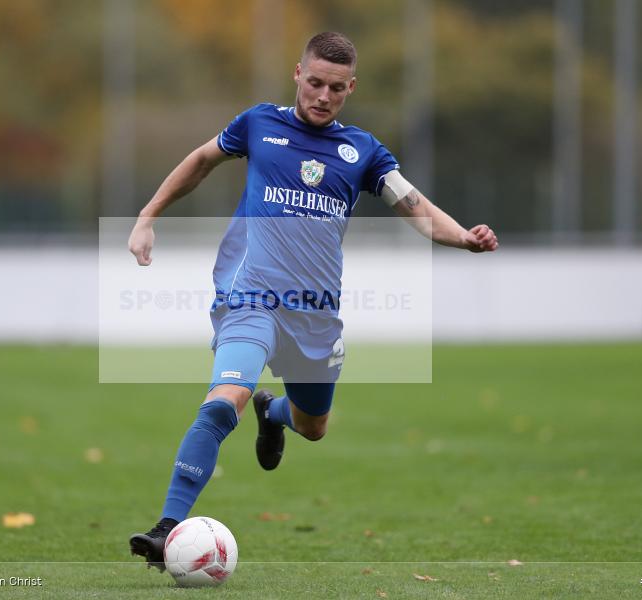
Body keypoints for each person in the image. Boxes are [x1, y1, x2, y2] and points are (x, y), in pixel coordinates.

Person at [126, 32, 498, 571]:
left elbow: (414, 206)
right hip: (249, 298)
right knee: (221, 400)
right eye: (316, 82)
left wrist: (463, 236)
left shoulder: (363, 151)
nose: (323, 96)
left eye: (337, 88)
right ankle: (166, 528)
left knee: (312, 426)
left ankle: (273, 414)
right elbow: (202, 160)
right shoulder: (258, 123)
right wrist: (148, 215)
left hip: (314, 315)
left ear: (351, 88)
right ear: (298, 74)